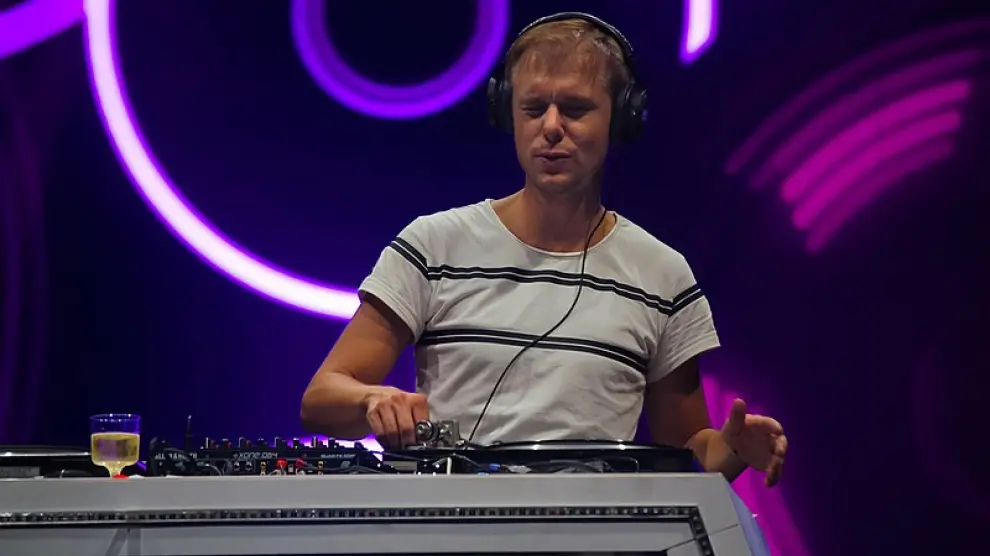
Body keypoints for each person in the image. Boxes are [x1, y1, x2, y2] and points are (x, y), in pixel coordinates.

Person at [301, 12, 787, 486]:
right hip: (450, 526)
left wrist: (732, 449)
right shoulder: (433, 246)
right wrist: (371, 401)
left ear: (621, 117)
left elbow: (687, 450)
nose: (551, 126)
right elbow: (320, 399)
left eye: (575, 109)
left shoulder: (662, 274)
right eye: (533, 109)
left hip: (595, 530)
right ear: (507, 114)